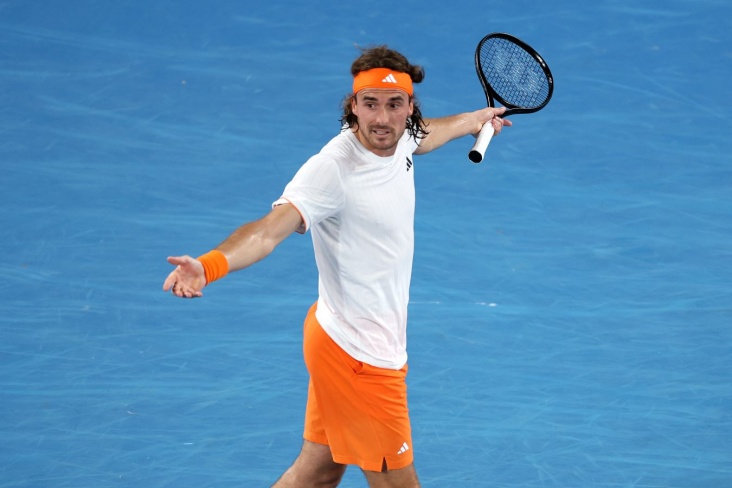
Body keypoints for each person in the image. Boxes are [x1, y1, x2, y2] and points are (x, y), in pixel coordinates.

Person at [163, 45, 510, 488]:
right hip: (357, 356)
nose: (382, 118)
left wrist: (475, 120)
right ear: (353, 106)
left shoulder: (403, 134)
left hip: (339, 335)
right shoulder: (331, 169)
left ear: (410, 107)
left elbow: (425, 136)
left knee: (318, 473)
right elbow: (267, 231)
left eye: (394, 104)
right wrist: (208, 266)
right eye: (370, 104)